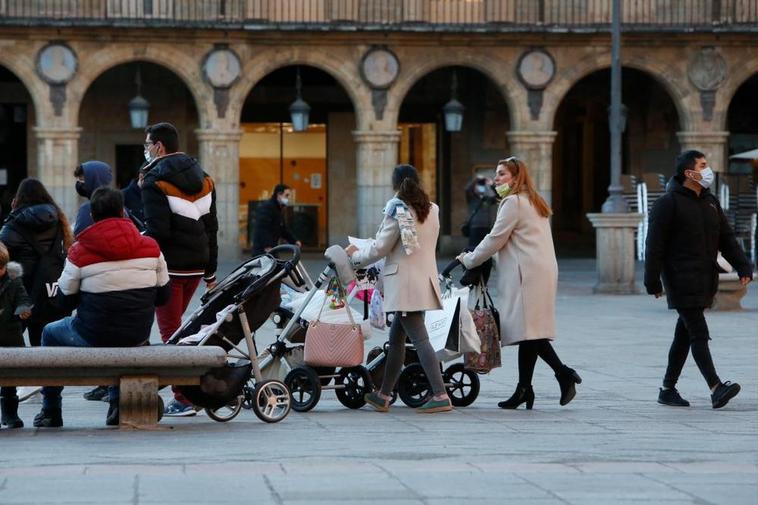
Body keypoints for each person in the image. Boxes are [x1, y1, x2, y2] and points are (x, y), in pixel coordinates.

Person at [33, 187, 170, 428]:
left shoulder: (79, 251)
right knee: (121, 330)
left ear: (93, 216)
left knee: (50, 331)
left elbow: (64, 301)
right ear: (122, 212)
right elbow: (163, 297)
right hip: (137, 335)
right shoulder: (151, 247)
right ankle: (117, 403)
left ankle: (50, 410)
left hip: (92, 335)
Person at [458, 157, 581, 409]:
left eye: (502, 174)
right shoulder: (534, 201)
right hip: (540, 272)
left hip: (527, 274)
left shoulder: (512, 202)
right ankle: (525, 389)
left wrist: (470, 259)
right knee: (530, 333)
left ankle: (563, 373)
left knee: (530, 332)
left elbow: (495, 238)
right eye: (496, 174)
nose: (496, 179)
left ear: (516, 178)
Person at [645, 150, 753, 409]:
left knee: (684, 334)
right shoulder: (667, 204)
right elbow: (654, 246)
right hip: (680, 279)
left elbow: (726, 238)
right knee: (699, 332)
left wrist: (743, 266)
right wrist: (652, 281)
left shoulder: (710, 202)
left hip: (705, 277)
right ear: (689, 173)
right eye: (703, 166)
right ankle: (716, 387)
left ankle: (668, 389)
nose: (708, 171)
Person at [346, 164, 452, 413]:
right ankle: (383, 395)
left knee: (420, 339)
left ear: (395, 184)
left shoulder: (398, 209)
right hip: (423, 280)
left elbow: (381, 248)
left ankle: (440, 394)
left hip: (405, 284)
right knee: (396, 341)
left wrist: (355, 258)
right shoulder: (432, 209)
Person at [140, 122, 218, 417]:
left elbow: (157, 231)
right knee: (180, 328)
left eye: (148, 145)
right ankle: (185, 386)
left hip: (170, 269)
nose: (146, 150)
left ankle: (184, 397)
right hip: (197, 267)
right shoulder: (205, 178)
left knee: (171, 332)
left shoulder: (153, 181)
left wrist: (137, 242)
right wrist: (210, 272)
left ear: (159, 146)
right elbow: (212, 228)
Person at [0, 178, 73, 347]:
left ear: (18, 199)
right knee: (51, 346)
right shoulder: (58, 219)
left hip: (26, 293)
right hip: (54, 291)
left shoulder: (14, 224)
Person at [0, 242, 32, 428]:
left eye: (2, 268)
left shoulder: (14, 280)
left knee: (9, 381)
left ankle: (10, 414)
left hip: (10, 334)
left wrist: (23, 310)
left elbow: (23, 298)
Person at [251, 184, 301, 256]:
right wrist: (267, 245)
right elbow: (262, 228)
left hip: (272, 248)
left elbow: (282, 229)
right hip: (263, 250)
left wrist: (294, 241)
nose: (288, 198)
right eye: (286, 195)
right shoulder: (268, 207)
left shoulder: (278, 209)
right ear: (279, 194)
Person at [73, 161, 113, 236]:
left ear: (94, 180)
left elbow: (77, 238)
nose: (79, 184)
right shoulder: (120, 207)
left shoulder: (88, 208)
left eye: (82, 180)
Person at [463, 174, 497, 249]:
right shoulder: (471, 198)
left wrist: (492, 185)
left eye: (482, 185)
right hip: (475, 227)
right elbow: (467, 189)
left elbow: (499, 196)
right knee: (472, 250)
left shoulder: (487, 199)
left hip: (487, 228)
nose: (480, 187)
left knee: (486, 250)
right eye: (479, 185)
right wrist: (476, 180)